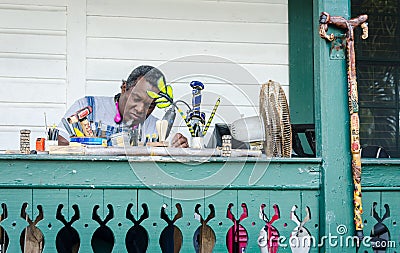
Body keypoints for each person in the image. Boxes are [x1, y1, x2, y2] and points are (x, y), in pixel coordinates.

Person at [58, 65, 188, 148]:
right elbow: (60, 142)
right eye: (136, 99)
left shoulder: (156, 128)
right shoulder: (88, 107)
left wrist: (178, 146)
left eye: (150, 105)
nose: (141, 109)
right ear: (124, 88)